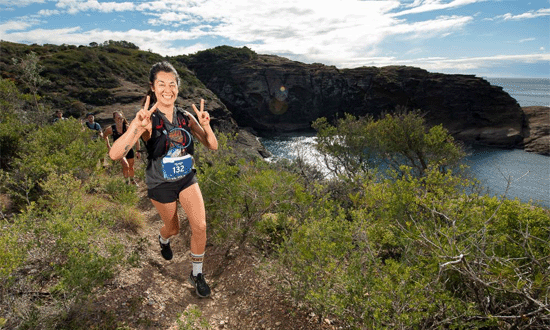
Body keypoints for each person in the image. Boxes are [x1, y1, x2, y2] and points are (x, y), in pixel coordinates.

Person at [108, 61, 218, 298]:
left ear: (177, 87)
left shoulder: (185, 116)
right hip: (160, 183)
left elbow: (212, 145)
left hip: (187, 178)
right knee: (174, 228)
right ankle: (163, 239)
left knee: (200, 226)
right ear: (153, 87)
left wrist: (207, 127)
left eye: (172, 84)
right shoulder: (147, 119)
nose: (167, 89)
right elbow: (115, 154)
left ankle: (197, 274)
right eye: (161, 84)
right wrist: (135, 126)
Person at [104, 111, 141, 185]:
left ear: (123, 119)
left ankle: (132, 180)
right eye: (118, 118)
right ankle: (127, 183)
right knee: (125, 165)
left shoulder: (127, 128)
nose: (119, 120)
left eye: (121, 118)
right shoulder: (111, 129)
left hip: (128, 149)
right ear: (114, 119)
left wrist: (138, 151)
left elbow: (136, 139)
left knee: (131, 167)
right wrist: (108, 146)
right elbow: (105, 136)